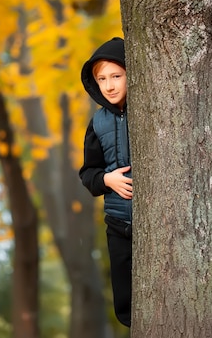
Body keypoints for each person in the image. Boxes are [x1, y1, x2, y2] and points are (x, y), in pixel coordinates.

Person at [79, 37, 132, 327]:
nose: (109, 85)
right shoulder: (97, 123)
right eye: (102, 79)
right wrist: (107, 179)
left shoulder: (150, 112)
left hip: (159, 224)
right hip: (117, 225)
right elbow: (88, 174)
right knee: (126, 304)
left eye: (116, 76)